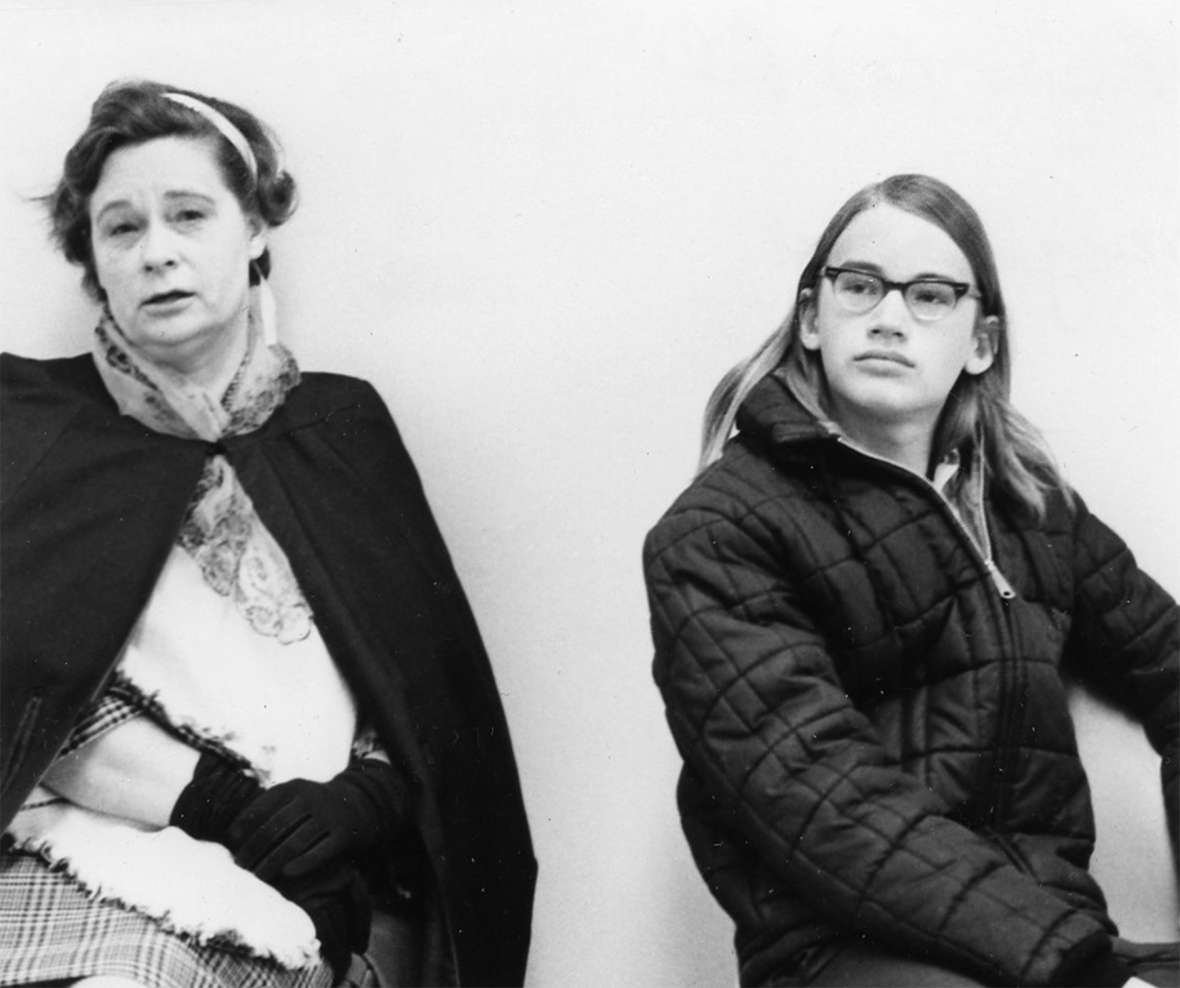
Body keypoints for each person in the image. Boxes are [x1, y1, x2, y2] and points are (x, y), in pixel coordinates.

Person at [0, 80, 535, 988]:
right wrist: (219, 805)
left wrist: (364, 801)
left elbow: (423, 692)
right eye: (121, 228)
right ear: (92, 258)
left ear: (252, 231)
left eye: (189, 215)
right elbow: (22, 690)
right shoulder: (27, 425)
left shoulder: (339, 425)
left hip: (323, 864)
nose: (157, 253)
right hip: (95, 849)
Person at [642, 174, 1179, 987]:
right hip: (848, 949)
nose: (889, 317)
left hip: (1055, 938)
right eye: (859, 287)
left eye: (930, 296)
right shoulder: (720, 533)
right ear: (813, 317)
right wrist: (1082, 973)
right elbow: (827, 806)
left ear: (981, 343)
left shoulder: (1029, 506)